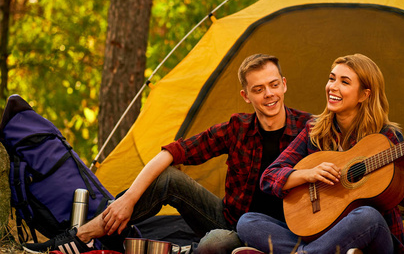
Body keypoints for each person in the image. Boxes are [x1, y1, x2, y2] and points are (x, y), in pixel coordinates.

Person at [23, 54, 312, 254]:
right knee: (169, 178)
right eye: (258, 89)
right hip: (233, 221)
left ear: (284, 84)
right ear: (246, 96)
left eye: (274, 85)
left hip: (285, 230)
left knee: (213, 245)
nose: (269, 95)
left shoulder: (310, 129)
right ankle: (84, 235)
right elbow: (172, 152)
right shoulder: (238, 127)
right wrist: (128, 201)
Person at [235, 54, 404, 254]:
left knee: (367, 216)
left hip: (371, 238)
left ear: (365, 94)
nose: (332, 87)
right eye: (331, 79)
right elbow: (269, 177)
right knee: (247, 222)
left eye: (344, 82)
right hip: (318, 234)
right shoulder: (314, 130)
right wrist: (308, 174)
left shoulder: (385, 137)